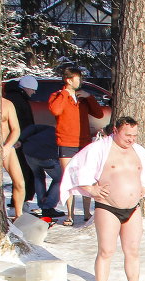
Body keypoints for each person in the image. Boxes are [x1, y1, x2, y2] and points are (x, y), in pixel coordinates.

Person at [61, 117, 145, 281]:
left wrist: (144, 188)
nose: (131, 139)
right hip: (108, 207)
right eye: (127, 135)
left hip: (133, 208)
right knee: (106, 251)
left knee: (132, 251)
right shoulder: (99, 149)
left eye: (134, 135)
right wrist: (91, 190)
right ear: (115, 130)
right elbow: (77, 168)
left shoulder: (138, 151)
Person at [48, 66, 105, 226]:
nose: (81, 81)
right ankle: (70, 214)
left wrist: (89, 97)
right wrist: (65, 93)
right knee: (69, 178)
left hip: (84, 142)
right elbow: (56, 110)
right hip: (66, 143)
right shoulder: (58, 96)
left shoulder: (83, 98)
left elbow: (99, 114)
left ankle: (87, 213)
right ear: (69, 80)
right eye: (78, 78)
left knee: (87, 177)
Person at [4, 76, 38, 209]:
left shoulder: (17, 98)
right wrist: (19, 138)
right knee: (22, 172)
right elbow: (18, 123)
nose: (34, 93)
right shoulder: (16, 100)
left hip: (18, 139)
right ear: (27, 88)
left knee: (23, 172)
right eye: (33, 90)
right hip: (16, 141)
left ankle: (21, 201)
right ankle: (19, 202)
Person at [18, 123, 63, 217]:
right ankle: (48, 206)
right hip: (47, 156)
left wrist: (20, 139)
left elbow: (32, 127)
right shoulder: (62, 135)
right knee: (60, 179)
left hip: (29, 153)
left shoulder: (47, 128)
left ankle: (42, 203)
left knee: (38, 176)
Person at [0, 94, 25, 219]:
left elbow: (16, 129)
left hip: (6, 147)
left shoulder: (7, 104)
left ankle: (18, 215)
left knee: (19, 182)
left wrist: (8, 146)